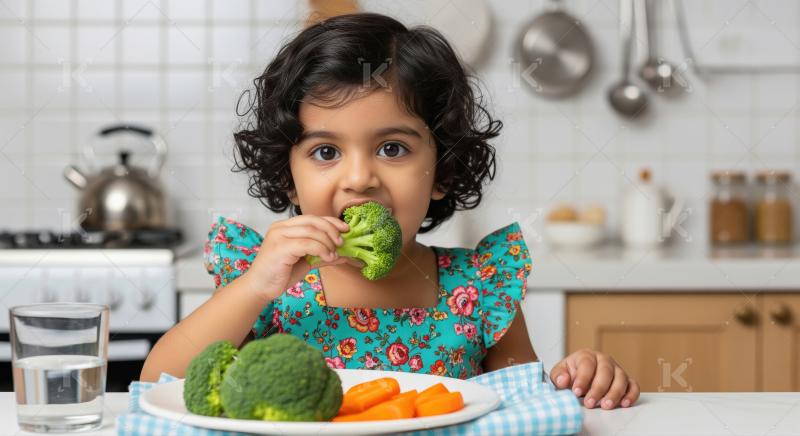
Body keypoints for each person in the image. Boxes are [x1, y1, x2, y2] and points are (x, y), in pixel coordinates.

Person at [141, 12, 639, 410]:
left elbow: (526, 406)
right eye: (326, 152)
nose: (359, 178)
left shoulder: (482, 287)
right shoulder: (263, 284)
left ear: (442, 170)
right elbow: (157, 384)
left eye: (393, 149)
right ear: (287, 172)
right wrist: (253, 288)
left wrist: (581, 377)